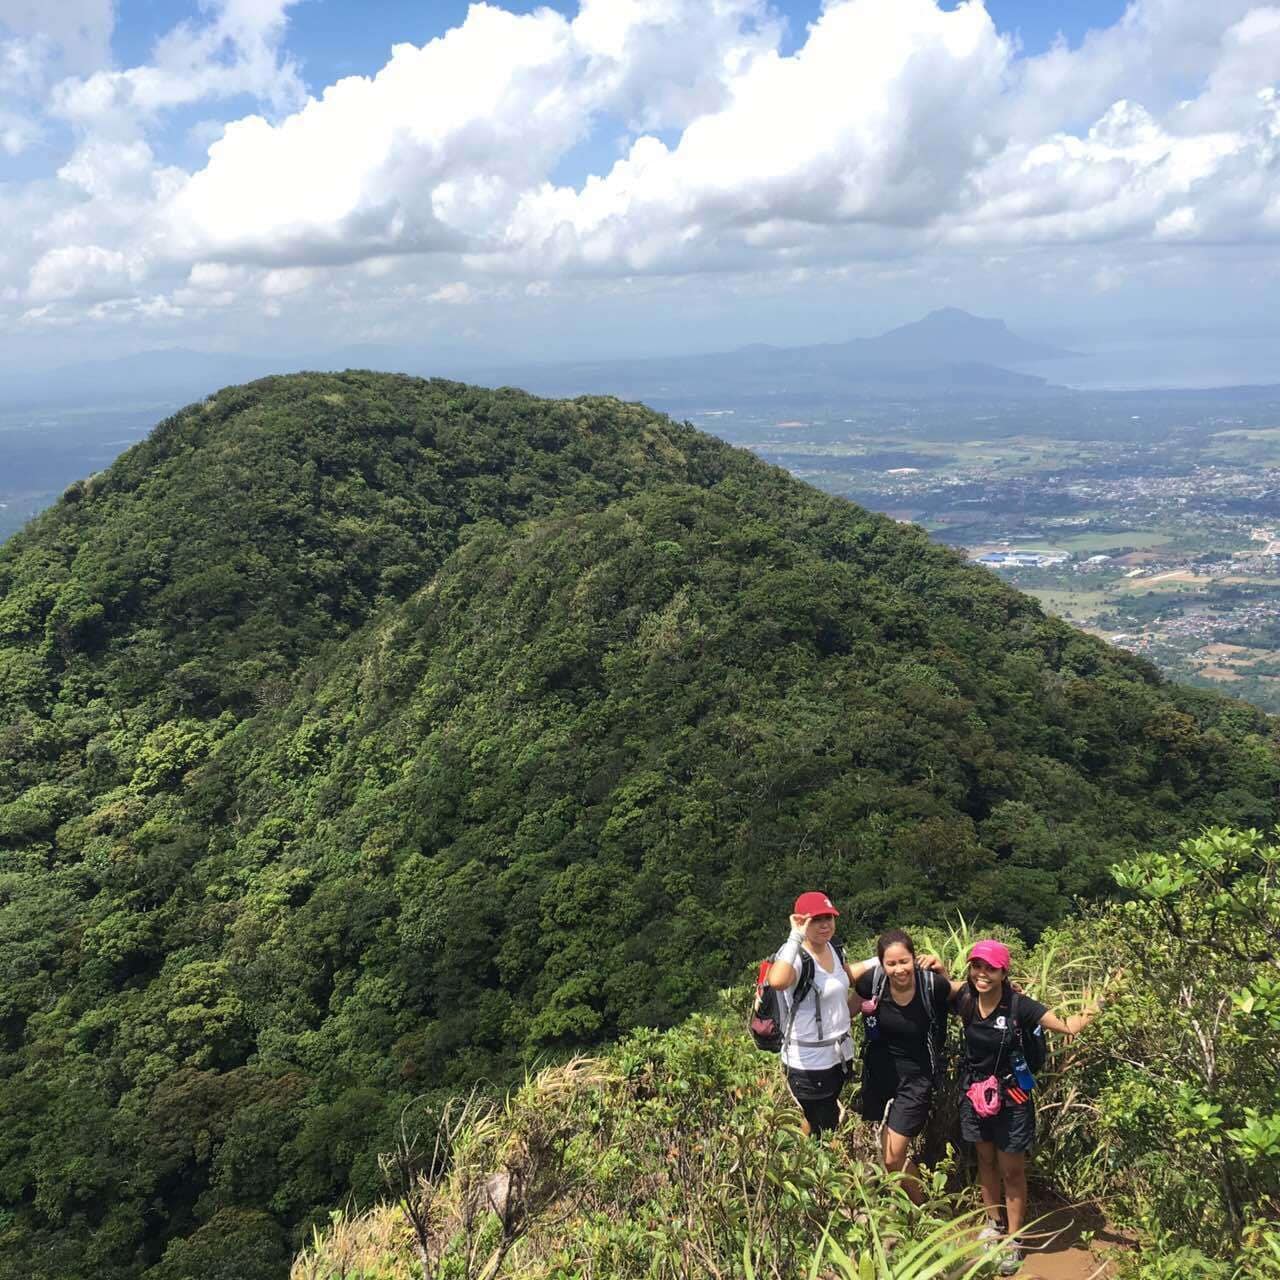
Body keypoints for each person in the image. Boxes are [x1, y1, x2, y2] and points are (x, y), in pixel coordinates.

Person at [927, 939, 1109, 1277]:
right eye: (976, 966)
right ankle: (992, 1224)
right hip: (975, 1095)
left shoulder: (1019, 1006)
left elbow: (1068, 1025)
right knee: (984, 1161)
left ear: (1003, 972)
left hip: (1013, 1098)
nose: (982, 974)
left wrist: (1100, 1005)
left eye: (990, 968)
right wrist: (936, 965)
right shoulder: (966, 995)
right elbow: (942, 985)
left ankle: (1014, 1238)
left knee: (1011, 1169)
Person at [766, 891, 877, 1138]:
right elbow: (777, 980)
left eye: (829, 917)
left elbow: (844, 978)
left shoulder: (834, 948)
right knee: (826, 1127)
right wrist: (795, 935)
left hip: (836, 1056)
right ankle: (820, 1170)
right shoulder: (795, 956)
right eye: (815, 920)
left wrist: (878, 961)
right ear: (801, 922)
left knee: (818, 1120)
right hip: (808, 1062)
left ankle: (805, 1158)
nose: (825, 924)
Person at [854, 928, 950, 1202]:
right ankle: (904, 1206)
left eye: (904, 961)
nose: (899, 969)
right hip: (879, 1076)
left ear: (915, 958)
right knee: (883, 1154)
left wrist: (942, 971)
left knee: (893, 1157)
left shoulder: (932, 985)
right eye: (891, 963)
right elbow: (843, 1008)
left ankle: (924, 1207)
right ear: (881, 964)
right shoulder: (872, 983)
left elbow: (962, 997)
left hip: (917, 1079)